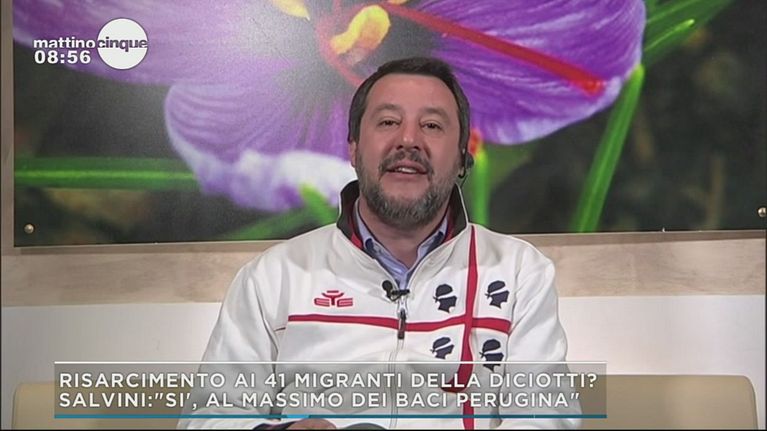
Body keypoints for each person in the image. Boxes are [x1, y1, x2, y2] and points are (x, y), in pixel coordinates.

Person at [179, 57, 577, 430]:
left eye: (432, 125)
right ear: (353, 149)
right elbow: (208, 417)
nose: (409, 139)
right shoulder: (275, 275)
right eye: (388, 122)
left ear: (462, 156)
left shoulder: (519, 272)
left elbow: (547, 416)